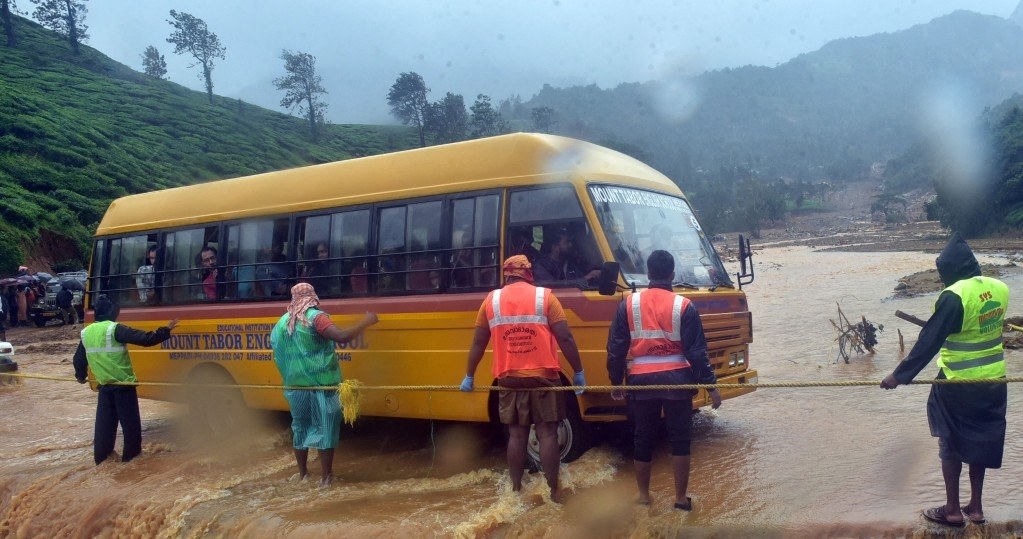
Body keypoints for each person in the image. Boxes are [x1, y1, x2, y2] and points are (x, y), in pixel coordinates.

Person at [881, 232, 1009, 528]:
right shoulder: (1000, 287)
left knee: (949, 441)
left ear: (949, 271)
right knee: (981, 441)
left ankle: (952, 510)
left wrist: (898, 376)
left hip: (958, 384)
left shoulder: (954, 297)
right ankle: (975, 508)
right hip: (994, 383)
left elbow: (930, 341)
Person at [459, 255, 586, 502]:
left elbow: (477, 342)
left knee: (517, 435)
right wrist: (578, 371)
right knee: (548, 434)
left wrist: (469, 375)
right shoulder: (545, 297)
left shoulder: (491, 300)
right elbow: (566, 338)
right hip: (544, 377)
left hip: (508, 378)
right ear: (528, 272)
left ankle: (516, 490)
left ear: (507, 275)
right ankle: (553, 491)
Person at [605, 249, 721, 510]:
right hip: (678, 382)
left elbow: (615, 348)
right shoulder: (684, 306)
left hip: (642, 382)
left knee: (643, 438)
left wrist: (615, 383)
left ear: (648, 273)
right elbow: (697, 352)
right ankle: (680, 500)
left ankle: (644, 497)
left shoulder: (628, 304)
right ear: (671, 274)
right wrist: (712, 387)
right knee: (680, 439)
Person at [270, 283, 379, 487]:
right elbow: (342, 337)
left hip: (296, 388)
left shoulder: (283, 322)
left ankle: (303, 476)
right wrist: (367, 320)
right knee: (325, 428)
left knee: (300, 428)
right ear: (312, 296)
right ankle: (326, 479)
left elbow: (277, 352)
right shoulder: (316, 317)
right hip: (323, 386)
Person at [72, 296, 179, 464]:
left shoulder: (86, 333)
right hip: (124, 388)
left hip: (105, 389)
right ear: (113, 312)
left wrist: (80, 376)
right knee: (131, 432)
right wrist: (165, 330)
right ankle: (131, 464)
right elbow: (146, 339)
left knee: (104, 430)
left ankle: (103, 463)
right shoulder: (114, 329)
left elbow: (78, 360)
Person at [533, 228, 601, 286]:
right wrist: (584, 279)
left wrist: (593, 274)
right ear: (555, 247)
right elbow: (551, 285)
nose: (570, 245)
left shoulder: (572, 263)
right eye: (566, 242)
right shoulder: (541, 265)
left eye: (570, 242)